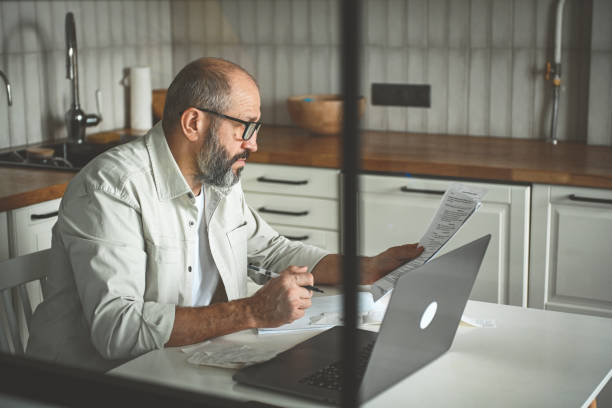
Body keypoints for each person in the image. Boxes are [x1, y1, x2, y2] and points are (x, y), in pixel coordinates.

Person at [27, 58, 423, 371]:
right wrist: (252, 312)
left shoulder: (216, 176)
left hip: (180, 364)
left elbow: (272, 252)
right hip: (97, 385)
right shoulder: (111, 189)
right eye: (245, 128)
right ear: (194, 122)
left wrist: (367, 268)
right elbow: (118, 330)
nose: (254, 144)